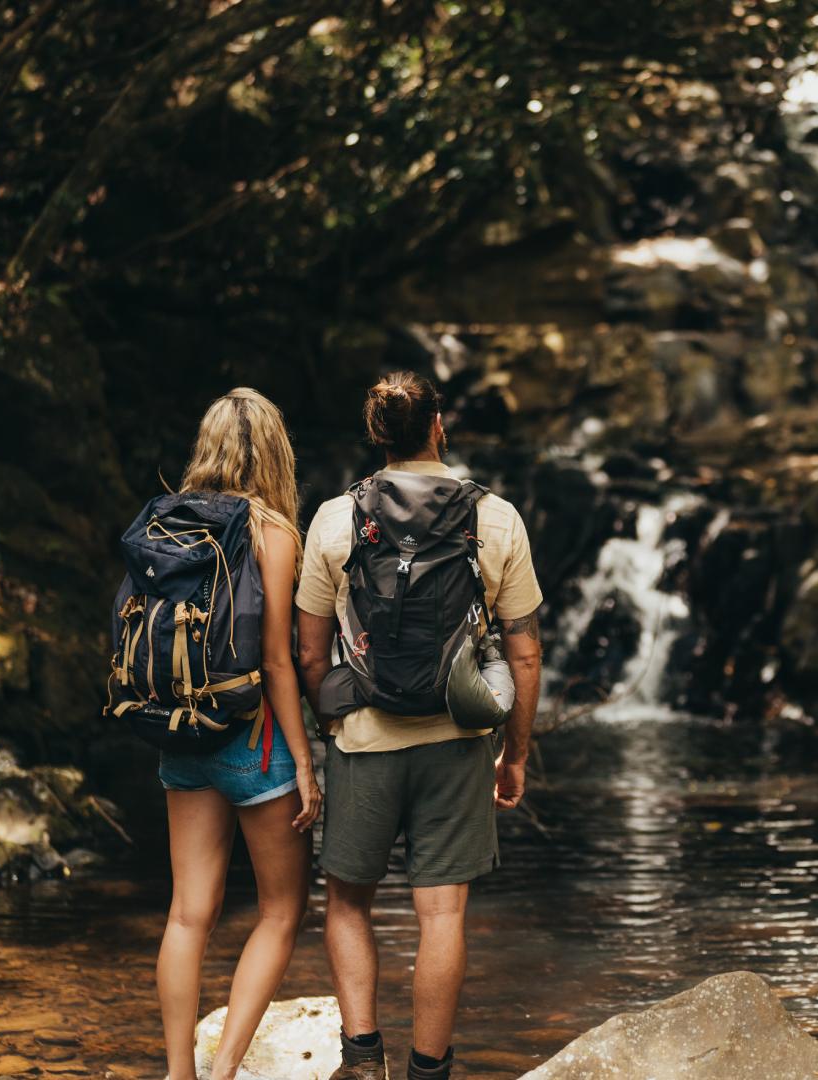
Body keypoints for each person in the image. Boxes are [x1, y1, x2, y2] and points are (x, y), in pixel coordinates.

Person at [296, 372, 544, 1080]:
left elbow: (310, 652)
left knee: (347, 902)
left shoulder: (334, 519)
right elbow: (524, 655)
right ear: (440, 425)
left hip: (364, 741)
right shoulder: (495, 519)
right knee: (441, 916)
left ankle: (362, 1062)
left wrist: (332, 726)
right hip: (458, 742)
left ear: (378, 434)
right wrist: (514, 754)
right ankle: (429, 1072)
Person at [152, 389, 324, 1080]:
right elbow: (278, 660)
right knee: (282, 909)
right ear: (275, 452)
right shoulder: (273, 531)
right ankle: (223, 1072)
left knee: (189, 913)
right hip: (253, 742)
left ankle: (177, 1074)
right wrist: (305, 762)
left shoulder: (165, 523)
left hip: (181, 731)